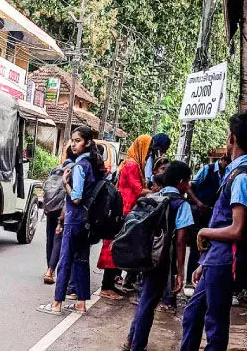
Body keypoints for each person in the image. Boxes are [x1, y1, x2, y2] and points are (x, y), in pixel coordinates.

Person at [181, 109, 247, 351]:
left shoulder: (242, 179)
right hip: (215, 259)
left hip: (225, 260)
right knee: (193, 314)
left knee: (215, 324)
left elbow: (237, 229)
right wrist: (204, 261)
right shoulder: (236, 174)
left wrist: (203, 233)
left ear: (232, 138)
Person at [124, 161, 194, 351]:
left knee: (145, 297)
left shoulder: (154, 196)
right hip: (160, 260)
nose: (188, 186)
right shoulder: (181, 204)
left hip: (143, 255)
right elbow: (180, 241)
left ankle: (131, 339)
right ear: (181, 182)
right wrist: (180, 272)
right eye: (187, 182)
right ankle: (137, 345)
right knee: (148, 302)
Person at [37, 126, 104, 316]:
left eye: (78, 141)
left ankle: (57, 303)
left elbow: (75, 197)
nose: (74, 145)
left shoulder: (80, 166)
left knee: (66, 260)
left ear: (88, 143)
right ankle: (81, 303)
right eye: (73, 141)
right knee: (82, 260)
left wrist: (65, 182)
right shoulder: (93, 165)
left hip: (75, 219)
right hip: (87, 221)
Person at [98, 134, 153, 299]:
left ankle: (112, 284)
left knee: (119, 247)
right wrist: (157, 191)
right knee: (115, 247)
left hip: (126, 210)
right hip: (124, 211)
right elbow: (138, 190)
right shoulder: (131, 165)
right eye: (148, 148)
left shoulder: (133, 164)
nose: (149, 152)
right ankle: (106, 286)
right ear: (141, 148)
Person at [185, 155, 230, 292]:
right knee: (195, 245)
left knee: (206, 246)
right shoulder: (207, 169)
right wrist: (198, 203)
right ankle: (188, 281)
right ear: (222, 160)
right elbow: (190, 187)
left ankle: (200, 280)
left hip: (211, 215)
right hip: (199, 212)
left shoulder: (226, 174)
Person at [43, 147, 77, 285]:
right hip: (63, 207)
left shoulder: (56, 168)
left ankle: (48, 267)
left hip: (50, 206)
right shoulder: (74, 169)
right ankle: (51, 271)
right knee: (59, 238)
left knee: (50, 237)